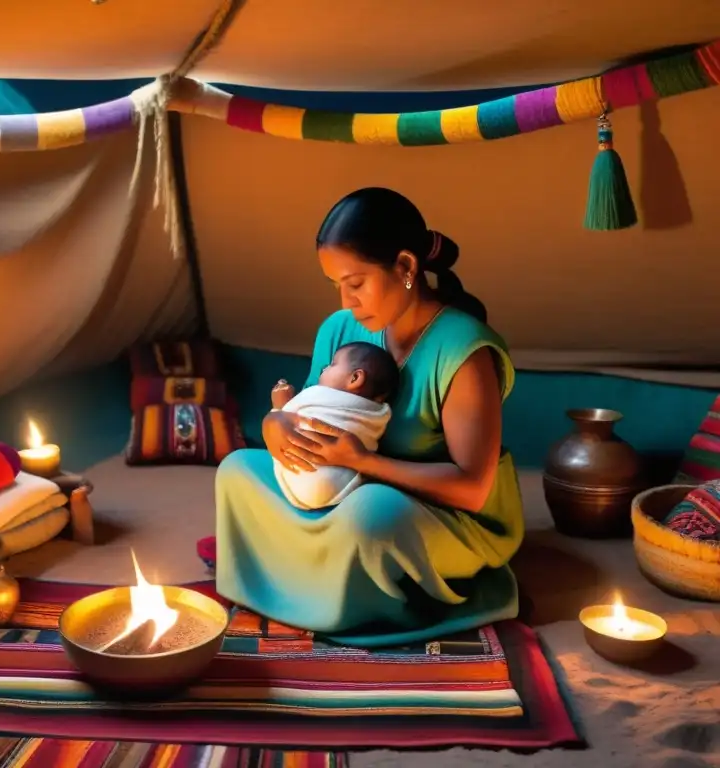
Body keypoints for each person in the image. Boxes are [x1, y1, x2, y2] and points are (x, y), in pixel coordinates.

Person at [213, 187, 525, 648]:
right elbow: (311, 411)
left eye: (355, 283)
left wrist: (363, 462)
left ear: (405, 267)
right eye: (336, 285)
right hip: (342, 487)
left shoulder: (464, 352)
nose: (346, 302)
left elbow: (472, 490)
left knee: (372, 515)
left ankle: (335, 589)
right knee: (237, 471)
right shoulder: (339, 330)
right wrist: (274, 424)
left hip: (433, 511)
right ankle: (318, 577)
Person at [271, 342, 398, 510]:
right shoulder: (378, 415)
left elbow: (287, 418)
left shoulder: (317, 395)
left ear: (355, 378)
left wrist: (277, 407)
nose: (323, 370)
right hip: (341, 487)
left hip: (304, 477)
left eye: (332, 364)